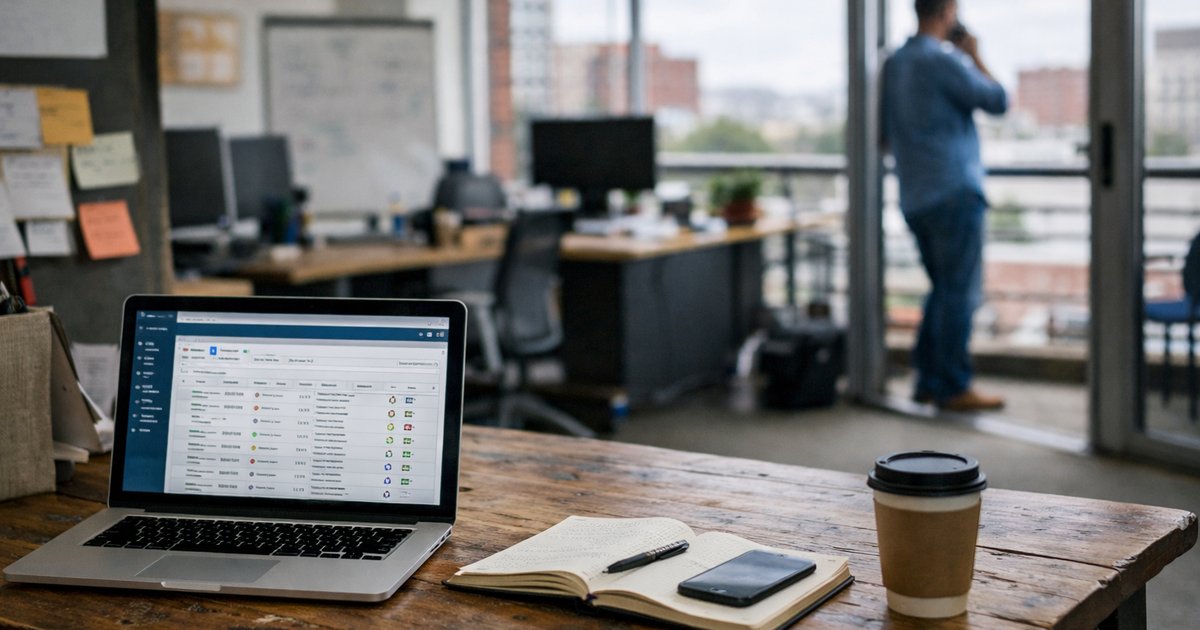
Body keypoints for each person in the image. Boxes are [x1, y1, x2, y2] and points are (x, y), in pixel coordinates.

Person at [881, 0, 1008, 412]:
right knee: (959, 295)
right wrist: (974, 54)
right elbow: (998, 100)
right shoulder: (943, 60)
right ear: (948, 12)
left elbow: (882, 135)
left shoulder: (896, 63)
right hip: (953, 191)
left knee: (941, 292)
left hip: (915, 195)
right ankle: (952, 386)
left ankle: (927, 382)